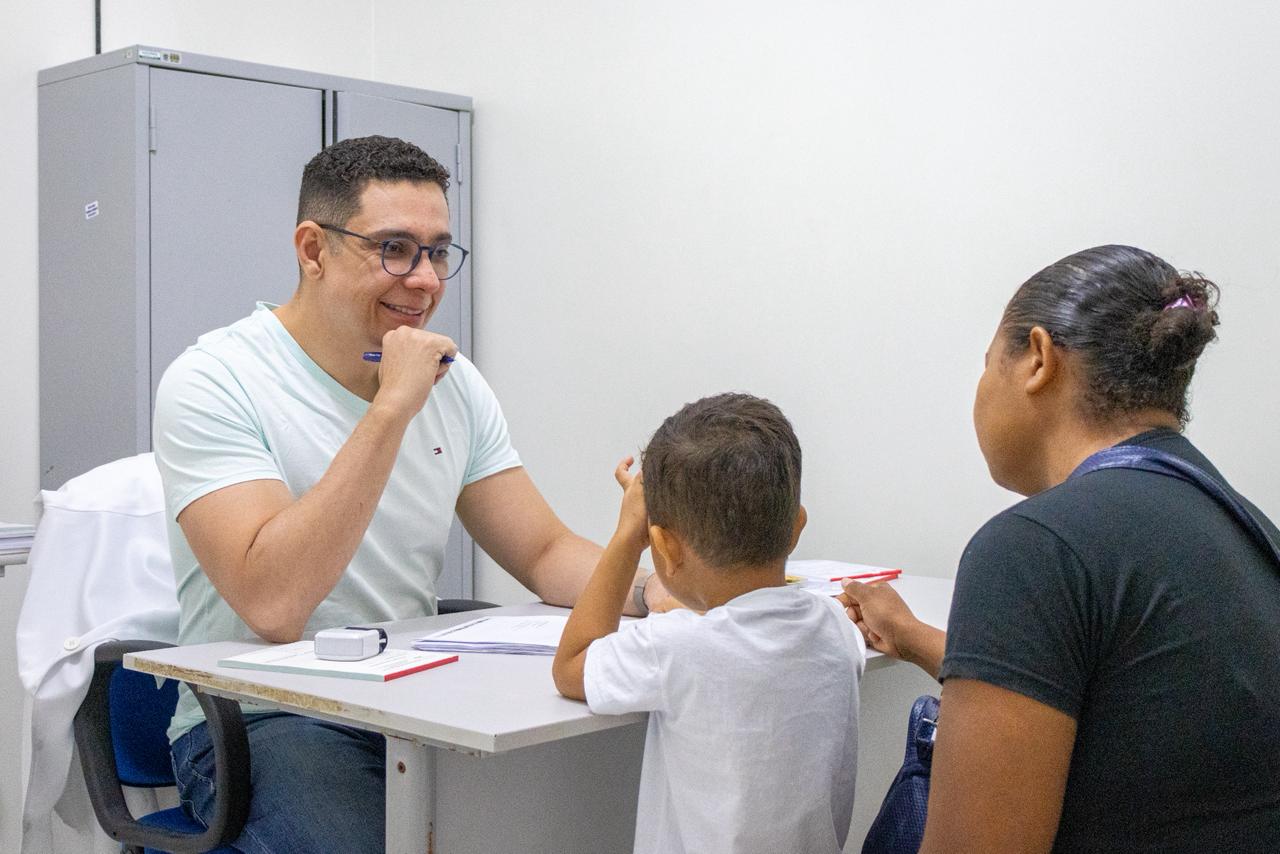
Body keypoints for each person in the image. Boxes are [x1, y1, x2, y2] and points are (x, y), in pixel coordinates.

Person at [152, 135, 668, 853]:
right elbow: (274, 605)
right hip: (262, 720)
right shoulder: (216, 380)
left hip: (410, 702)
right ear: (313, 249)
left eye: (437, 252)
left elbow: (545, 551)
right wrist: (390, 408)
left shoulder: (456, 385)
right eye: (394, 248)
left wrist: (651, 593)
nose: (424, 279)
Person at [842, 245, 1280, 853]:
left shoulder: (1033, 547)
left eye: (988, 363)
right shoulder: (1245, 530)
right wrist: (913, 636)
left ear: (1038, 361)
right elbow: (1121, 700)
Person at [553, 393, 866, 854]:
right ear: (796, 527)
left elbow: (571, 665)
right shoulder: (835, 629)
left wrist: (626, 538)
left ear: (663, 545)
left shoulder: (674, 648)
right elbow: (749, 628)